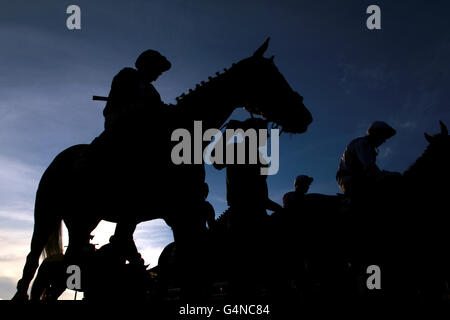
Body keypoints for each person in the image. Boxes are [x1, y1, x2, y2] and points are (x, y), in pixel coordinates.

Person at [336, 121, 399, 198]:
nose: (384, 140)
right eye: (383, 136)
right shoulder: (362, 143)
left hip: (356, 180)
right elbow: (369, 167)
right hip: (351, 181)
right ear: (376, 133)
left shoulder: (368, 147)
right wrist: (386, 176)